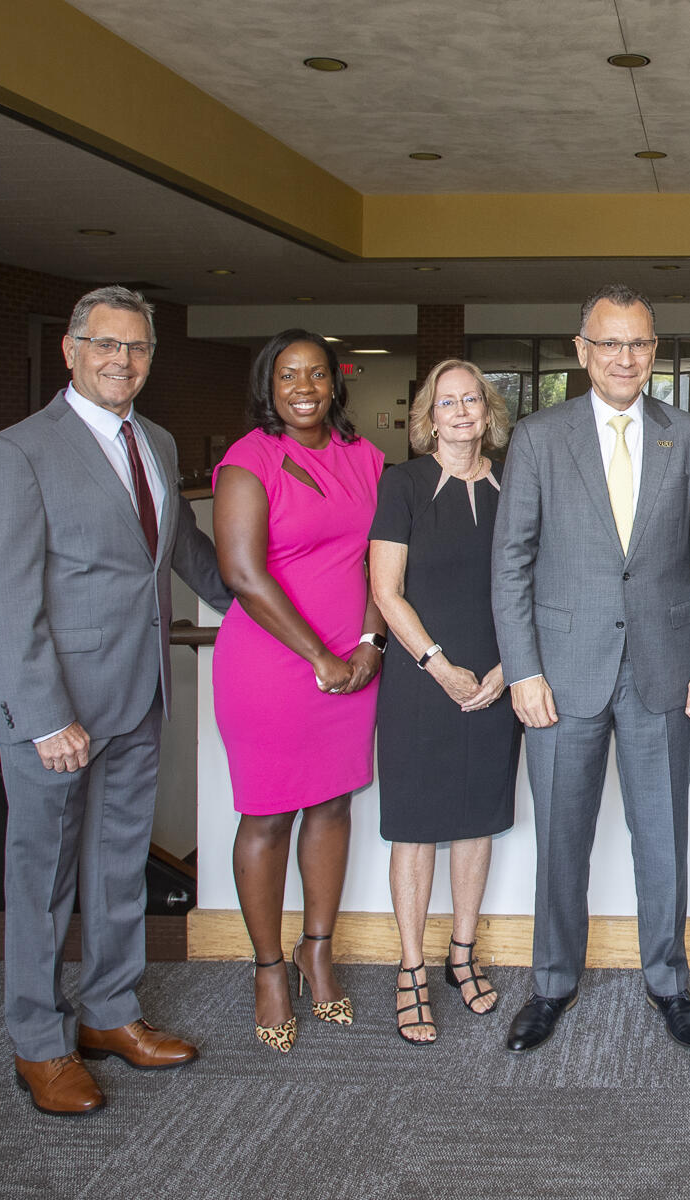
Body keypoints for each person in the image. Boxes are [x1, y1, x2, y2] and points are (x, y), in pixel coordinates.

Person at [0, 286, 232, 1114]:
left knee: (118, 870)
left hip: (139, 696)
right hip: (56, 713)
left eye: (137, 348)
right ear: (71, 351)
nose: (122, 360)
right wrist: (46, 716)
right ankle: (39, 1042)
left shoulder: (151, 439)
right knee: (42, 881)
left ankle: (111, 1013)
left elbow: (187, 553)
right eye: (105, 344)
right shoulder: (18, 451)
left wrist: (275, 613)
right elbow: (4, 597)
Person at [492, 284, 690, 1053]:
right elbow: (512, 564)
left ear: (654, 352)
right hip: (561, 677)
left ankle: (669, 981)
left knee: (661, 837)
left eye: (638, 344)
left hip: (666, 668)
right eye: (609, 343)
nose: (624, 357)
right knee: (561, 838)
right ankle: (552, 983)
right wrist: (523, 669)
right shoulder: (537, 437)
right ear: (581, 350)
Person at [213, 329, 386, 1053]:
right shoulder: (248, 461)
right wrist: (319, 655)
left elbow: (385, 561)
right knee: (268, 816)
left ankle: (319, 950)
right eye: (289, 376)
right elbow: (243, 574)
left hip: (355, 664)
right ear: (269, 385)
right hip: (273, 669)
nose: (305, 387)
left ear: (334, 383)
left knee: (333, 804)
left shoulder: (365, 458)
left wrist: (370, 644)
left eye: (316, 374)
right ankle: (267, 968)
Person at [368, 359, 521, 1044]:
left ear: (489, 412)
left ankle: (462, 953)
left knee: (476, 821)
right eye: (446, 401)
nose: (460, 412)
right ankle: (411, 968)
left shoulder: (513, 484)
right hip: (421, 679)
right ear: (427, 415)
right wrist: (440, 666)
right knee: (416, 827)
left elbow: (533, 585)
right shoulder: (401, 484)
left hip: (496, 677)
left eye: (472, 400)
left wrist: (505, 668)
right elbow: (385, 590)